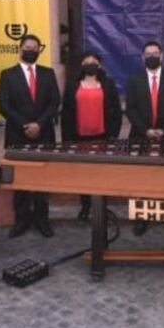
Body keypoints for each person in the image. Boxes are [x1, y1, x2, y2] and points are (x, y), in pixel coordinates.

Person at [0, 34, 61, 238]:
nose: (31, 51)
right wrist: (25, 124)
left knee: (42, 180)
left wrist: (39, 124)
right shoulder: (8, 75)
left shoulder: (48, 74)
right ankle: (21, 220)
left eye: (35, 48)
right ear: (20, 49)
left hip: (44, 133)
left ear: (39, 50)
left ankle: (43, 219)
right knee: (20, 180)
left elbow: (54, 102)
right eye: (27, 47)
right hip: (18, 134)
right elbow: (3, 105)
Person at [125, 41, 164, 236]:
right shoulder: (134, 79)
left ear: (162, 55)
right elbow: (130, 108)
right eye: (148, 54)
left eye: (155, 53)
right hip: (140, 135)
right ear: (142, 57)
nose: (152, 56)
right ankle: (141, 217)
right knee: (141, 177)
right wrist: (145, 130)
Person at [60, 51, 122, 221]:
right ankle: (85, 206)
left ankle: (102, 207)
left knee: (102, 173)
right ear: (81, 66)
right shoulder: (72, 85)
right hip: (79, 138)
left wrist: (114, 135)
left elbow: (116, 111)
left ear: (100, 65)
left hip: (103, 137)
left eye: (93, 62)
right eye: (86, 62)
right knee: (83, 174)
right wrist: (67, 140)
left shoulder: (108, 84)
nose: (90, 65)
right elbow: (66, 113)